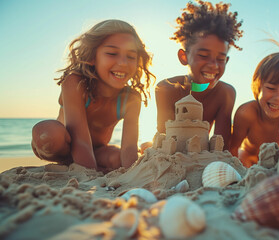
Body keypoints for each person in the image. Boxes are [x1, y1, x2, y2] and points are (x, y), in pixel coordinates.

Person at [31, 19, 155, 172]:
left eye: (130, 56)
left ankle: (83, 166)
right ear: (92, 57)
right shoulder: (75, 83)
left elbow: (128, 147)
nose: (123, 63)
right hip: (63, 148)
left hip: (97, 151)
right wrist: (90, 176)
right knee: (47, 133)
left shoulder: (131, 98)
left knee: (118, 159)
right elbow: (80, 141)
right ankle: (76, 164)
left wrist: (132, 174)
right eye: (112, 53)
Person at [154, 0, 243, 150]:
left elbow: (222, 146)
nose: (214, 65)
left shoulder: (226, 93)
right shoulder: (166, 89)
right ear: (184, 57)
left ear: (226, 61)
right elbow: (165, 140)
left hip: (202, 154)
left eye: (220, 59)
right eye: (203, 55)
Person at [230, 52, 279, 167]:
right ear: (258, 85)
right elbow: (233, 148)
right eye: (271, 88)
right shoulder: (247, 113)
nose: (277, 98)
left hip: (275, 163)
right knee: (241, 158)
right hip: (247, 159)